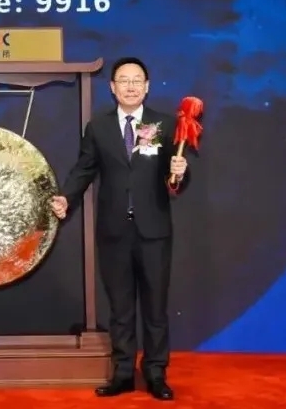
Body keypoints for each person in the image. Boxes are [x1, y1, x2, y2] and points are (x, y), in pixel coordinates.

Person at [51, 57, 190, 402]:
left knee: (155, 308)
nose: (130, 86)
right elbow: (84, 169)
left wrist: (179, 173)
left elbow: (174, 181)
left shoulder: (165, 124)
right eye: (123, 80)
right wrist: (66, 197)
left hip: (154, 231)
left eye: (137, 80)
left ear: (147, 86)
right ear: (112, 87)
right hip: (114, 231)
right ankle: (124, 373)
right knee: (121, 308)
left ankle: (156, 373)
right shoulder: (98, 127)